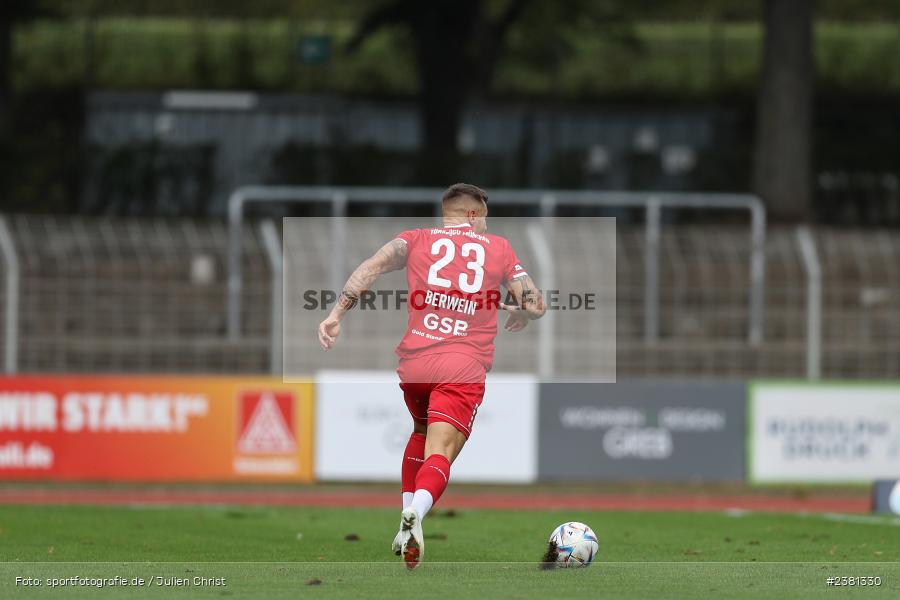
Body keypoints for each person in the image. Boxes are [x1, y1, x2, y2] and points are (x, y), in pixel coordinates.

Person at [317, 183, 545, 569]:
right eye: (484, 216)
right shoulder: (500, 249)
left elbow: (368, 269)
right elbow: (536, 305)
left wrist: (336, 315)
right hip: (462, 365)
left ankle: (407, 522)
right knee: (442, 451)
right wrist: (521, 311)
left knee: (420, 433)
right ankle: (417, 514)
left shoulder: (415, 239)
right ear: (473, 215)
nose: (487, 224)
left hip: (414, 364)